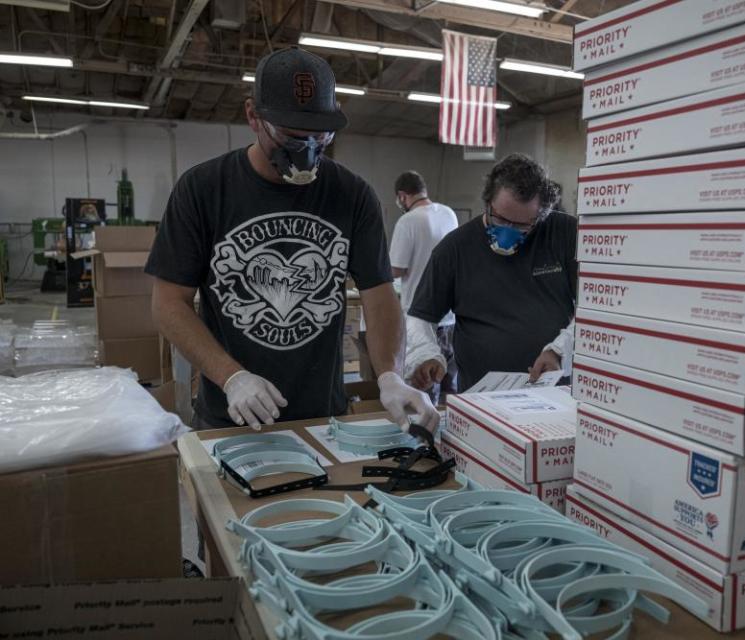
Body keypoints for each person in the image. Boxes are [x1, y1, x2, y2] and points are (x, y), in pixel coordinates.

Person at [145, 47, 438, 433]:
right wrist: (231, 377)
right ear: (253, 116)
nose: (307, 151)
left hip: (324, 416)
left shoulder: (352, 195)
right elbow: (168, 303)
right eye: (290, 136)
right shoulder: (203, 190)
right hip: (230, 416)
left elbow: (380, 295)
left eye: (320, 136)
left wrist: (389, 376)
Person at [405, 154, 576, 392]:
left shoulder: (565, 234)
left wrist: (559, 349)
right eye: (501, 219)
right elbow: (420, 316)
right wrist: (426, 354)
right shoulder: (454, 249)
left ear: (541, 215)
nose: (509, 231)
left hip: (554, 390)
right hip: (481, 395)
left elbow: (599, 308)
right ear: (487, 201)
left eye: (522, 225)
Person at [389, 171, 459, 396]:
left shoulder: (407, 221)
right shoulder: (448, 214)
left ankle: (425, 429)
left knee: (424, 384)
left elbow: (395, 269)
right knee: (451, 384)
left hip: (420, 318)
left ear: (402, 196)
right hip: (450, 317)